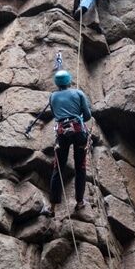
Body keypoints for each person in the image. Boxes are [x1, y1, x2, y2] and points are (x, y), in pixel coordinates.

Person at [43, 70, 92, 217]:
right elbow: (88, 116)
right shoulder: (78, 94)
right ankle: (79, 202)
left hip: (62, 134)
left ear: (57, 84)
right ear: (69, 81)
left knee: (58, 169)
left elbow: (55, 114)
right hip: (78, 132)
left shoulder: (52, 96)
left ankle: (52, 208)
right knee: (80, 167)